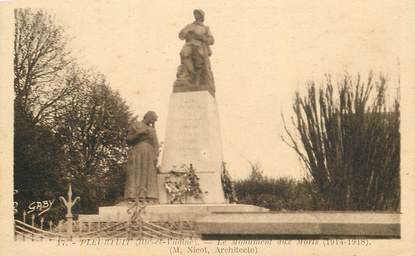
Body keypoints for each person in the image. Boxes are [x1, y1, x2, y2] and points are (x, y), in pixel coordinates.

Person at [124, 111, 159, 203]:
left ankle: (147, 196)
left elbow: (156, 144)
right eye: (152, 120)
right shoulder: (135, 125)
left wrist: (156, 155)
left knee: (148, 174)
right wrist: (139, 133)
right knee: (135, 173)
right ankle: (132, 196)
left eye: (153, 121)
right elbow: (128, 140)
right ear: (148, 117)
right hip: (137, 152)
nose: (152, 122)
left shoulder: (152, 130)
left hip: (149, 154)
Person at [178, 9, 214, 87]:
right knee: (183, 53)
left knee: (199, 63)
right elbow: (181, 35)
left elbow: (211, 40)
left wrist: (203, 38)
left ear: (201, 16)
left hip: (199, 46)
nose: (196, 15)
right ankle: (188, 75)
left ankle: (196, 79)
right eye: (195, 13)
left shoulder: (206, 28)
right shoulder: (190, 25)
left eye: (198, 14)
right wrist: (186, 32)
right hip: (190, 44)